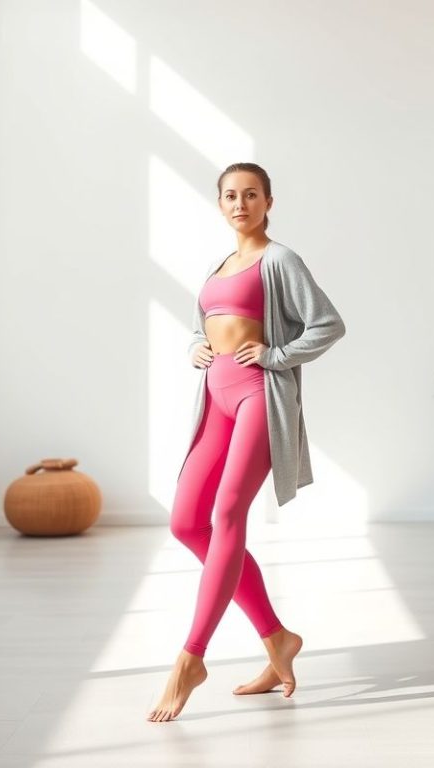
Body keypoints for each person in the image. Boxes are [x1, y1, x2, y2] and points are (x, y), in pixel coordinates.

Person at [147, 162, 346, 722]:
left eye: (251, 195)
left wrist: (277, 357)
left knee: (229, 513)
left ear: (268, 202)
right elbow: (200, 324)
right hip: (214, 400)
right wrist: (194, 348)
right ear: (220, 204)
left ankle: (191, 659)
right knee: (187, 522)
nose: (241, 203)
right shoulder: (219, 266)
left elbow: (327, 324)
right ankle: (277, 638)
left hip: (259, 396)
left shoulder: (280, 260)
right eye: (231, 195)